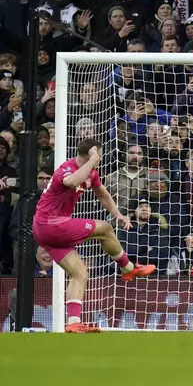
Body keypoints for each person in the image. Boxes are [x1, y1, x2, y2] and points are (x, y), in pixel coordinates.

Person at [32, 138, 156, 333]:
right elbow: (71, 181)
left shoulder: (92, 173)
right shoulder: (66, 169)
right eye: (99, 154)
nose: (101, 158)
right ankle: (129, 268)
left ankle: (73, 322)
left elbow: (103, 195)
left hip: (48, 230)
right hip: (50, 224)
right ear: (93, 153)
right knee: (105, 229)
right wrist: (92, 160)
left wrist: (119, 215)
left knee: (79, 272)